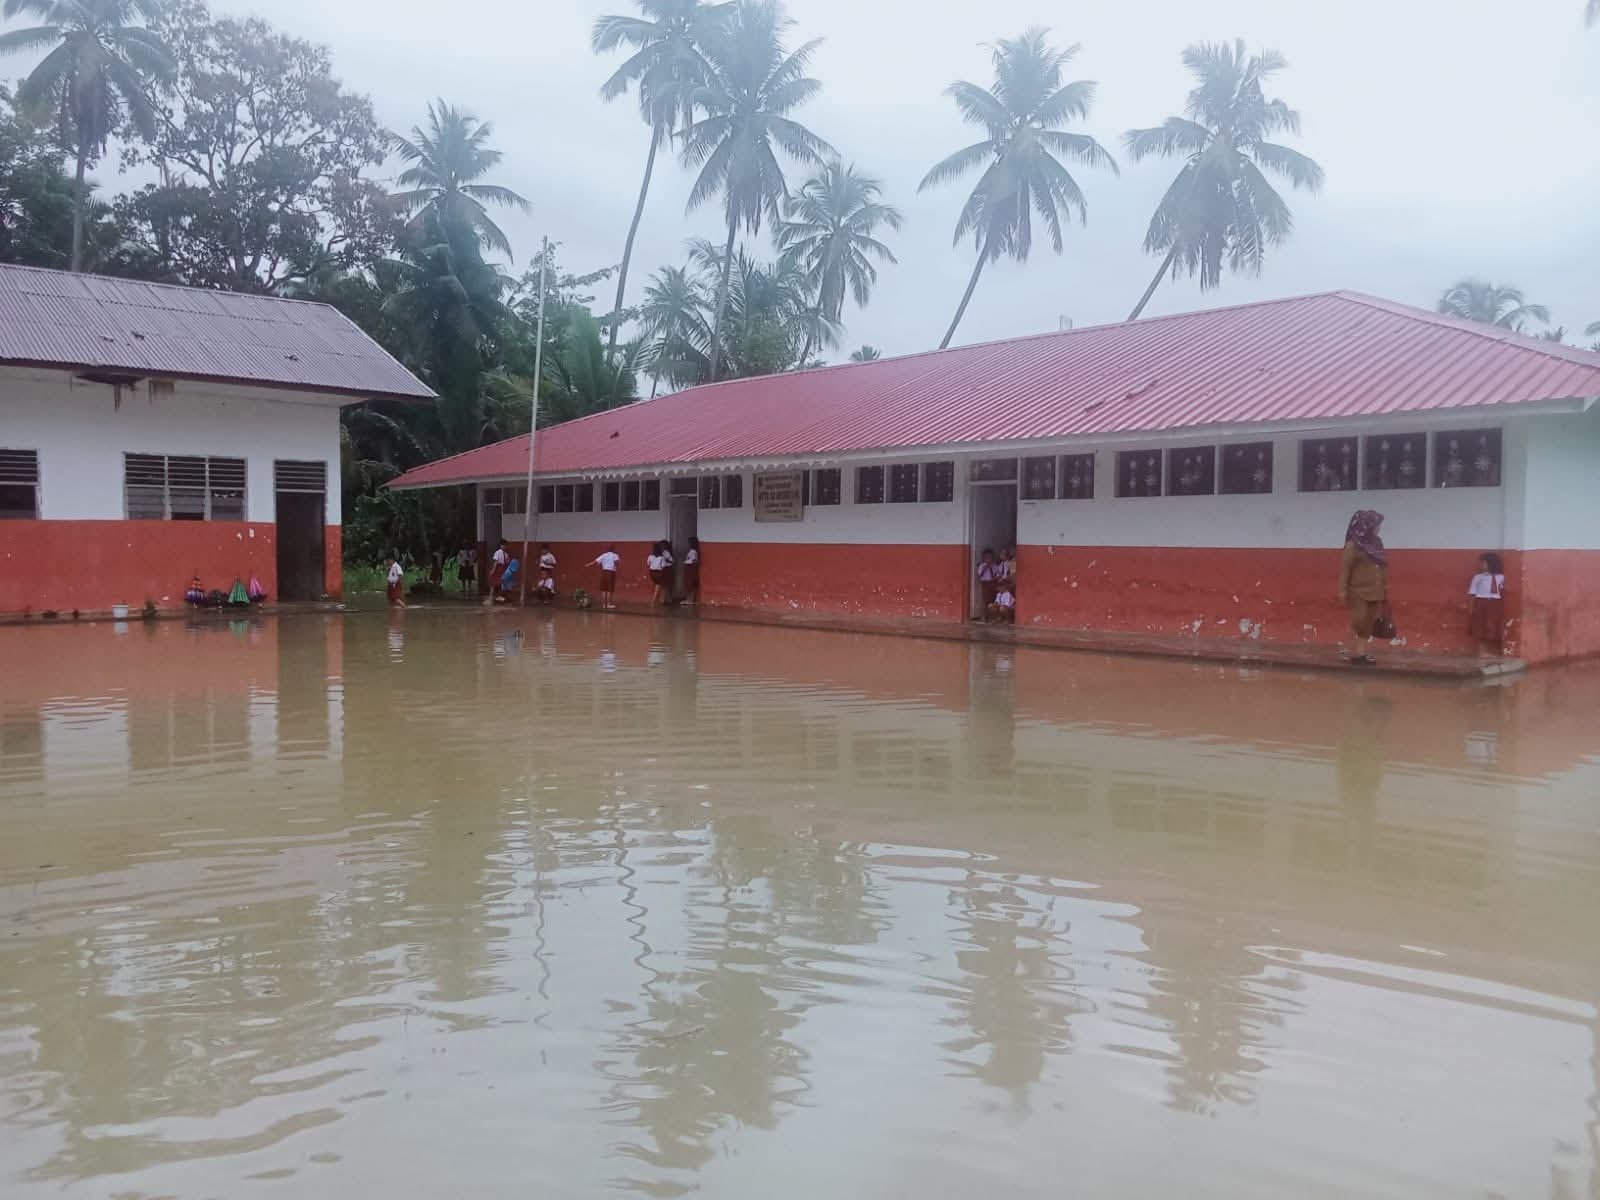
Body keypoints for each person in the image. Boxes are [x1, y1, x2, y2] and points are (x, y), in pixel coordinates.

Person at [1338, 510, 1388, 664]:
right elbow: (1345, 569)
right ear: (1366, 526)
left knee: (1368, 622)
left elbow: (1382, 565)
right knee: (1359, 620)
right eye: (1376, 525)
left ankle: (1360, 653)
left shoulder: (1377, 543)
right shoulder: (1353, 546)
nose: (1378, 529)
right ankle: (1347, 648)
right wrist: (1342, 590)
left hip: (1376, 589)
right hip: (1357, 590)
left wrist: (1385, 587)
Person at [1467, 552, 1507, 655]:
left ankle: (1492, 650)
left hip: (1495, 604)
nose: (1481, 565)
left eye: (1483, 563)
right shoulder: (1478, 577)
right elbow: (1472, 593)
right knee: (1480, 627)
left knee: (1493, 626)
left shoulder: (1501, 577)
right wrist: (1471, 608)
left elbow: (1503, 592)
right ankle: (1481, 651)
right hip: (1481, 602)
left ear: (1492, 564)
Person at [646, 541, 669, 607]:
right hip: (659, 572)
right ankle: (653, 601)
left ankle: (659, 600)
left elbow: (648, 564)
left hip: (651, 572)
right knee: (658, 586)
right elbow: (663, 566)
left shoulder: (650, 556)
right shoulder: (662, 557)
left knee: (657, 586)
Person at [976, 548, 999, 614]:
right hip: (985, 583)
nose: (988, 559)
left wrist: (995, 578)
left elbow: (997, 574)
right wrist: (985, 567)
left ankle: (993, 615)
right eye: (987, 557)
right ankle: (984, 615)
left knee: (993, 598)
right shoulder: (982, 566)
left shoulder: (995, 566)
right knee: (985, 600)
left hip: (993, 583)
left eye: (990, 557)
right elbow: (980, 575)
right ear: (984, 558)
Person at [683, 537, 702, 606]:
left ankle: (689, 599)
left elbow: (693, 560)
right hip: (691, 568)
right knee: (691, 583)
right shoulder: (693, 551)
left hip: (690, 568)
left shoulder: (693, 551)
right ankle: (691, 599)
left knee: (689, 583)